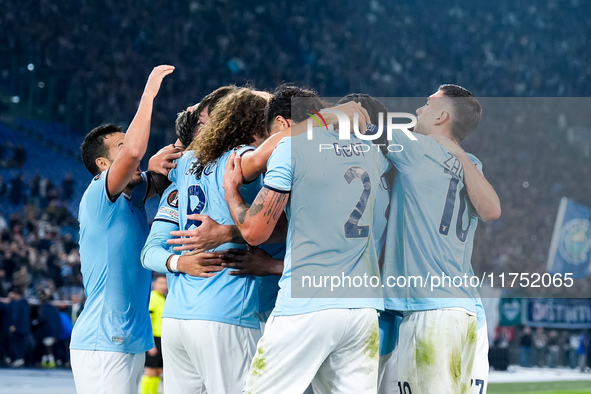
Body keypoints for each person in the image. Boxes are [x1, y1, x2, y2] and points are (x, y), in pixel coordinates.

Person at [224, 91, 390, 392]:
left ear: (283, 123)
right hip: (362, 310)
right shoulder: (370, 153)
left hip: (307, 304)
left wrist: (231, 193)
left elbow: (254, 231)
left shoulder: (290, 148)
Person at [378, 85, 500, 393]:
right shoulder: (472, 164)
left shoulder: (415, 147)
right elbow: (492, 210)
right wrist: (455, 149)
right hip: (469, 309)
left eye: (427, 104)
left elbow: (364, 126)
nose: (418, 110)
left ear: (442, 115)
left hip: (430, 312)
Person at [70, 65, 181, 394]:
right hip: (103, 341)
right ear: (105, 166)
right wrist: (149, 92)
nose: (133, 154)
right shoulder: (99, 196)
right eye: (120, 148)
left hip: (129, 340)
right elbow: (136, 153)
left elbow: (159, 174)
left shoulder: (131, 199)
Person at [140, 274, 168, 394]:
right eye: (160, 283)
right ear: (154, 284)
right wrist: (151, 343)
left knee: (158, 371)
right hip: (154, 339)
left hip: (163, 339)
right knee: (151, 371)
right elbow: (148, 320)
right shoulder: (152, 297)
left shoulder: (164, 299)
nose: (163, 286)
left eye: (165, 283)